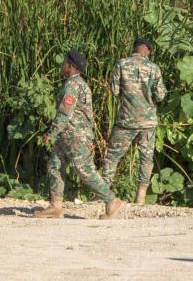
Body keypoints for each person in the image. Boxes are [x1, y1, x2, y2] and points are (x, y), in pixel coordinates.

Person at [34, 50, 123, 219]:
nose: (62, 65)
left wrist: (50, 133)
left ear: (70, 66)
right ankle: (55, 206)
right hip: (67, 136)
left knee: (85, 171)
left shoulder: (72, 85)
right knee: (55, 166)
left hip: (75, 136)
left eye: (65, 62)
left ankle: (111, 200)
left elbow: (64, 113)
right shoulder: (78, 83)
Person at [101, 37, 167, 204]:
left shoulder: (121, 64)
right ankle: (141, 197)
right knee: (146, 158)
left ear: (135, 48)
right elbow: (160, 96)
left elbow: (114, 91)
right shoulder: (154, 68)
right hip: (148, 123)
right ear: (148, 51)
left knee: (112, 157)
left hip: (126, 121)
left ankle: (103, 194)